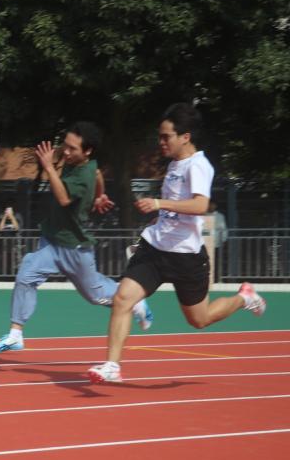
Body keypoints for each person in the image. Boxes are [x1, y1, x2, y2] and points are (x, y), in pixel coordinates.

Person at [88, 104, 265, 383]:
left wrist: (159, 203)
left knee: (199, 319)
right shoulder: (173, 165)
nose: (160, 142)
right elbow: (176, 209)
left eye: (166, 136)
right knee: (123, 298)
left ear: (185, 136)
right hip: (155, 249)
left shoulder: (199, 166)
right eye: (159, 136)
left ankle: (245, 297)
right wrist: (159, 218)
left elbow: (200, 205)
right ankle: (112, 366)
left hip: (185, 257)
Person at [0, 122, 153, 353]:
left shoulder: (83, 174)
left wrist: (48, 167)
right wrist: (99, 195)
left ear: (87, 151)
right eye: (65, 145)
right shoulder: (83, 164)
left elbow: (64, 198)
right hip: (52, 241)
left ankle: (135, 301)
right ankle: (16, 334)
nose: (66, 151)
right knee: (26, 274)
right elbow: (98, 174)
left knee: (95, 294)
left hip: (75, 247)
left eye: (72, 148)